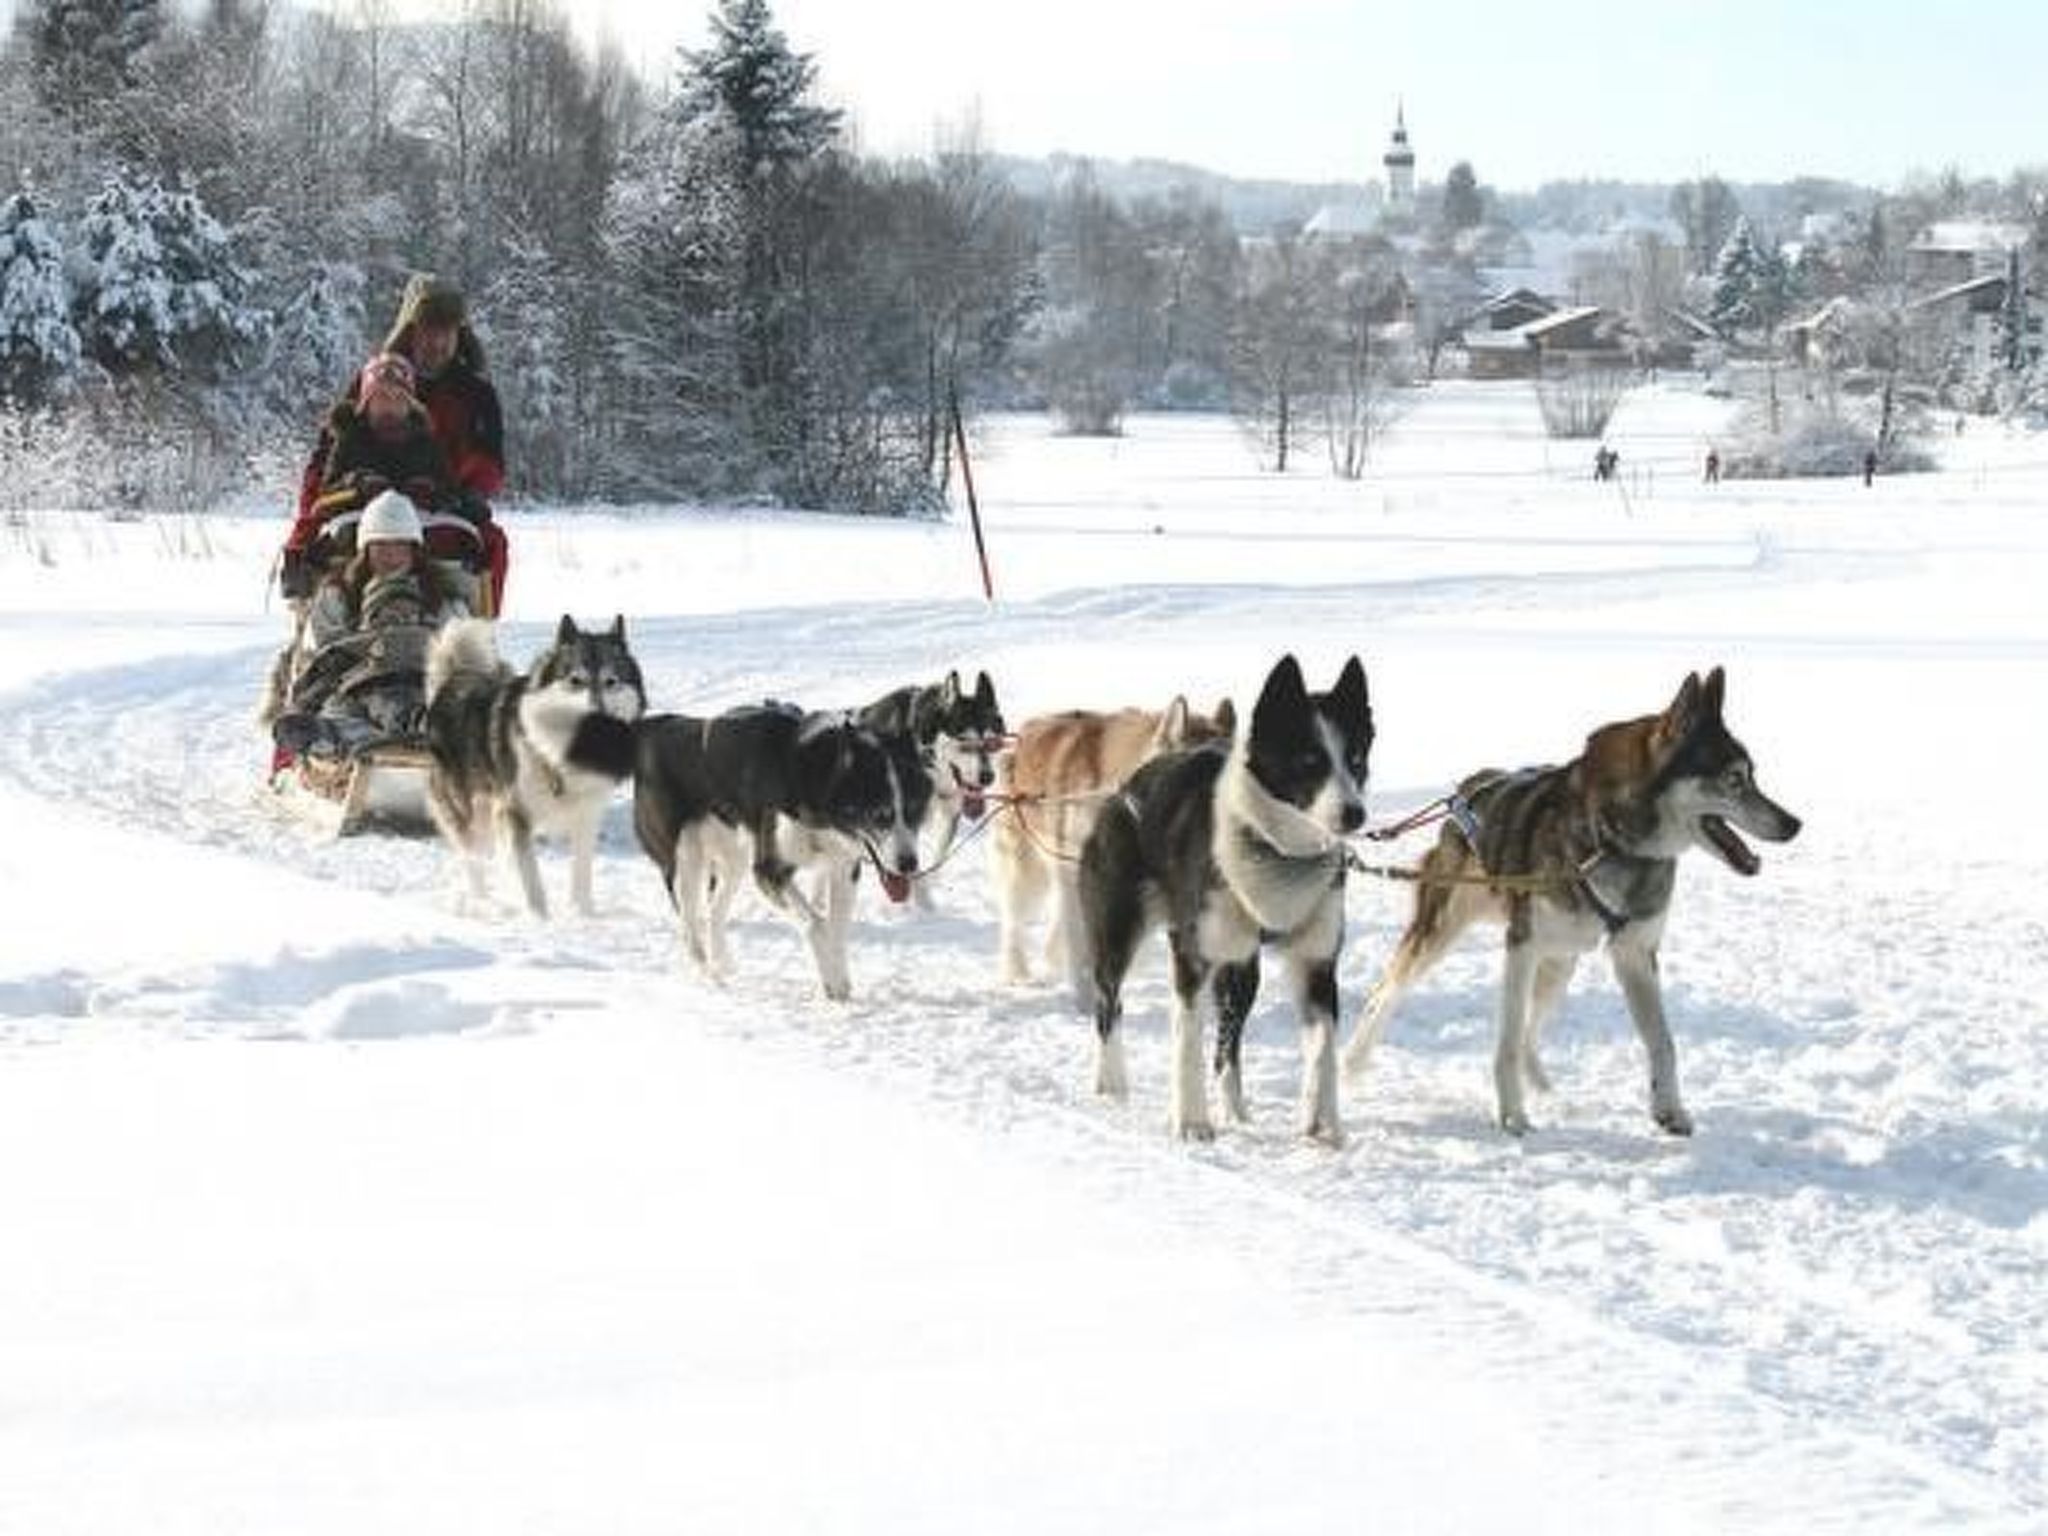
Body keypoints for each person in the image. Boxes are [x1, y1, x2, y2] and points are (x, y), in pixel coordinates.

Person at [272, 491, 472, 760]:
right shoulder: (338, 593)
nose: (391, 555)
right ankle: (340, 739)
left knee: (442, 709)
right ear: (365, 549)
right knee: (338, 711)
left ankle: (422, 738)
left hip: (423, 681)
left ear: (415, 548)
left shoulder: (442, 596)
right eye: (381, 545)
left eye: (400, 544)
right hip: (358, 684)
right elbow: (327, 651)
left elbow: (460, 651)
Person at [279, 352, 457, 598]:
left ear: (410, 404)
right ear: (366, 402)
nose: (390, 406)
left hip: (419, 534)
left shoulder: (427, 443)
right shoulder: (350, 440)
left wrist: (429, 489)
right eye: (382, 397)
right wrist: (357, 484)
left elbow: (449, 489)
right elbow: (326, 493)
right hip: (357, 532)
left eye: (398, 398)